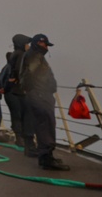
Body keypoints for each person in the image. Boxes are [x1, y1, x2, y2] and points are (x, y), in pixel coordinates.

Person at [20, 33, 69, 171]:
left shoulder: (33, 55)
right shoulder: (35, 56)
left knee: (44, 124)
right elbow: (30, 74)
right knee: (46, 125)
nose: (47, 47)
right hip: (40, 95)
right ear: (39, 43)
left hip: (39, 94)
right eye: (45, 44)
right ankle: (46, 158)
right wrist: (38, 90)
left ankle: (47, 156)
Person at [1, 34, 32, 148]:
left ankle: (21, 138)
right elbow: (19, 73)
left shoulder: (12, 58)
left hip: (11, 91)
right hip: (16, 91)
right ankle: (21, 139)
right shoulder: (20, 55)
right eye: (27, 44)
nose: (28, 46)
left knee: (17, 115)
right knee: (19, 115)